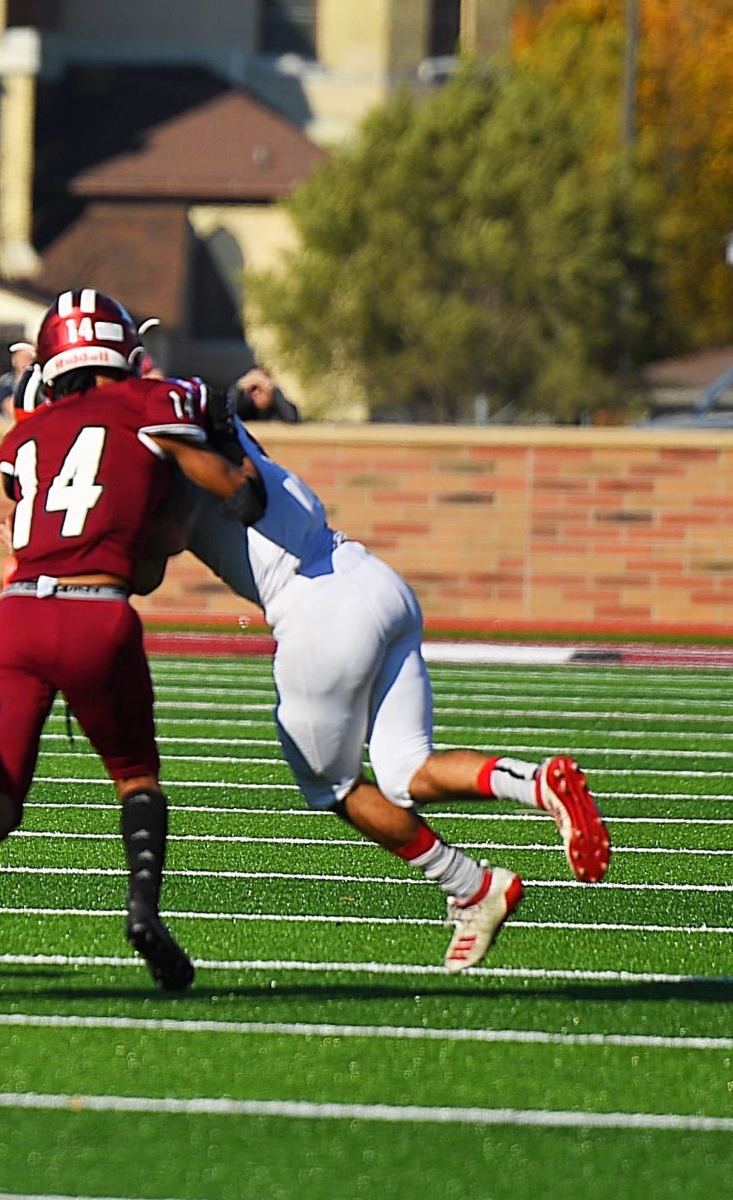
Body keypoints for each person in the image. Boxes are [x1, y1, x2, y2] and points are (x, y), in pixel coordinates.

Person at [0, 289, 267, 1002]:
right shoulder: (147, 403)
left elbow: (41, 505)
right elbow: (220, 488)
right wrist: (235, 471)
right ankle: (144, 913)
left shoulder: (25, 434)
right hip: (94, 613)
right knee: (137, 778)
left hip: (15, 615)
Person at [161, 375, 607, 970]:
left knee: (333, 787)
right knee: (404, 771)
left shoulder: (161, 450)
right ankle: (536, 783)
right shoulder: (205, 419)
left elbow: (142, 564)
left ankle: (468, 884)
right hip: (368, 574)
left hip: (313, 608)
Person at [232, 366, 300, 422]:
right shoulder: (248, 410)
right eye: (252, 389)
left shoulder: (282, 409)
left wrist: (272, 388)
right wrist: (239, 386)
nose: (256, 393)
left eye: (260, 388)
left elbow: (292, 419)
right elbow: (229, 415)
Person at [0, 341, 33, 418]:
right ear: (14, 360)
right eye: (22, 357)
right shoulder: (7, 381)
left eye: (29, 358)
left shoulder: (39, 383)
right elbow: (9, 407)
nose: (26, 361)